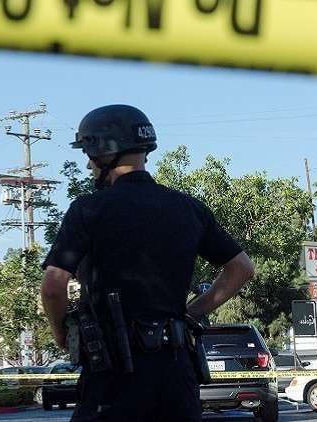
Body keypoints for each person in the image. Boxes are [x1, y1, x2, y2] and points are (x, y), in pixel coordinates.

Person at [40, 104, 255, 422]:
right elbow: (241, 269)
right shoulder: (188, 208)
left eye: (88, 154)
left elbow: (53, 287)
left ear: (103, 151)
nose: (87, 164)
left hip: (113, 374)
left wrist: (60, 332)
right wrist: (190, 313)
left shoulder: (88, 210)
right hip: (177, 372)